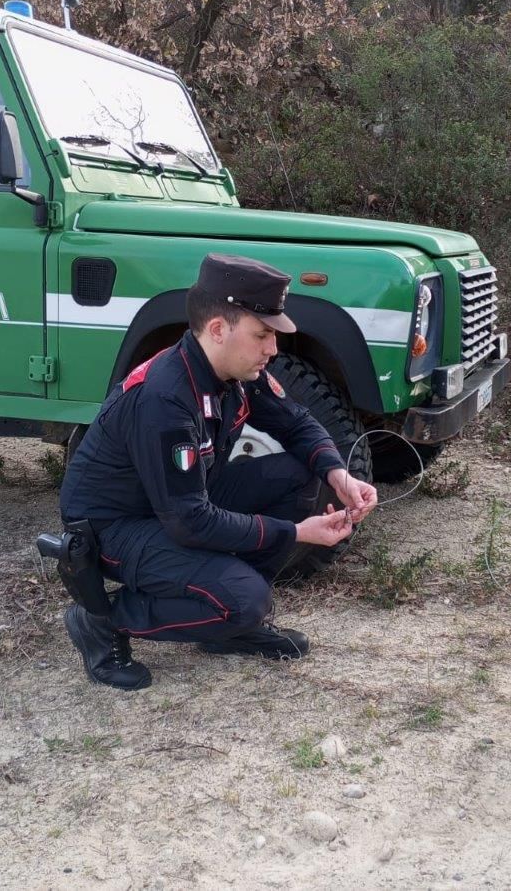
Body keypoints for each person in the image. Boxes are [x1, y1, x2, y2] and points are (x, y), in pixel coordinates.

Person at [58, 252, 378, 690]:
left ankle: (221, 626)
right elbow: (191, 523)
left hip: (176, 501)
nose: (273, 348)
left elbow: (296, 421)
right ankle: (103, 619)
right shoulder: (165, 400)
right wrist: (297, 533)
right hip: (115, 527)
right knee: (246, 600)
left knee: (302, 474)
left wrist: (338, 474)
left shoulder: (235, 369)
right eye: (262, 334)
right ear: (217, 329)